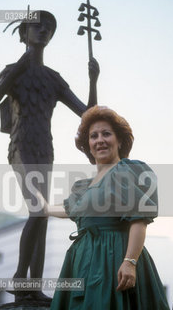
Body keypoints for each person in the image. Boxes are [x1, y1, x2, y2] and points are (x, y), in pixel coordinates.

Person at [0, 11, 99, 304]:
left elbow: (88, 114)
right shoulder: (13, 71)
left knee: (43, 216)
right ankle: (20, 278)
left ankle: (33, 286)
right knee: (38, 211)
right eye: (37, 26)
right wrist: (20, 66)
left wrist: (93, 79)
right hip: (21, 145)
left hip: (44, 148)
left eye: (49, 27)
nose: (44, 30)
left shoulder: (52, 79)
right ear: (24, 34)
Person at [45, 106, 170, 309]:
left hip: (115, 256)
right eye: (93, 136)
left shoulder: (127, 170)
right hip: (82, 260)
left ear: (119, 140)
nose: (100, 140)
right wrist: (42, 206)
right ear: (88, 145)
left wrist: (130, 261)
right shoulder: (84, 186)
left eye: (106, 134)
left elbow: (139, 219)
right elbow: (70, 209)